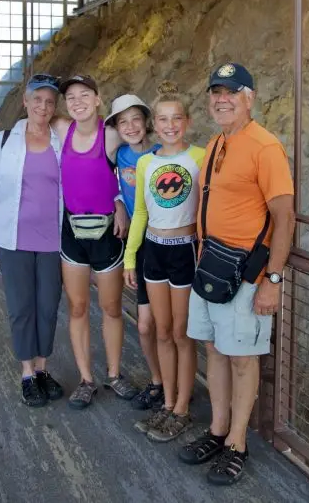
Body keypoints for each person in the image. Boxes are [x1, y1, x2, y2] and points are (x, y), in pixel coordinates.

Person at [178, 63, 295, 486]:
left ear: (250, 97)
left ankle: (238, 443)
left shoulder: (265, 147)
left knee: (244, 359)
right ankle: (218, 429)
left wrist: (273, 279)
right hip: (210, 266)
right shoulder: (217, 142)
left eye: (231, 92)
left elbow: (284, 217)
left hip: (244, 274)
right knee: (214, 348)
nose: (221, 99)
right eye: (215, 92)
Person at [124, 82, 205, 442]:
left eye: (177, 118)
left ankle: (183, 409)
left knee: (180, 333)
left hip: (185, 251)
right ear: (154, 124)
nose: (170, 125)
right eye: (163, 119)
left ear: (186, 121)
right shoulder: (145, 162)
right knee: (161, 330)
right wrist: (130, 258)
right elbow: (140, 212)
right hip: (153, 252)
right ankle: (168, 403)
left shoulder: (201, 157)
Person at [53, 74, 138, 409]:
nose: (77, 102)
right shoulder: (62, 129)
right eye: (71, 97)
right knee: (77, 307)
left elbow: (133, 165)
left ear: (98, 99)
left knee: (111, 307)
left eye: (84, 95)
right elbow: (29, 125)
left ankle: (114, 374)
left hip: (106, 232)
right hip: (72, 231)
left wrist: (120, 201)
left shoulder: (112, 135)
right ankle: (86, 378)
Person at [0, 73, 66, 407]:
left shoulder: (61, 139)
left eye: (49, 102)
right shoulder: (4, 141)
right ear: (25, 102)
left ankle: (43, 367)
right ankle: (27, 372)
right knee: (21, 308)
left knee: (47, 306)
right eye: (37, 100)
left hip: (52, 240)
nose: (42, 107)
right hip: (11, 238)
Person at [107, 94, 164, 413]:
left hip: (169, 243)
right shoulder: (120, 155)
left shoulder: (162, 153)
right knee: (145, 325)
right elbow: (109, 182)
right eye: (122, 121)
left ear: (147, 122)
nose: (130, 126)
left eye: (135, 119)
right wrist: (118, 204)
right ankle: (158, 381)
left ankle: (176, 384)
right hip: (139, 246)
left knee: (171, 324)